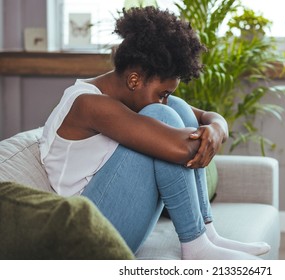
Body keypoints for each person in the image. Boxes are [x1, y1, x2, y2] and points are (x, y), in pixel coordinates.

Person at [39, 6, 270, 260]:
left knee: (177, 108)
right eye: (162, 93)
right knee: (162, 116)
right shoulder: (88, 104)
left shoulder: (128, 95)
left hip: (111, 216)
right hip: (86, 235)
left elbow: (206, 118)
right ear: (134, 80)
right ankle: (195, 246)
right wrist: (210, 136)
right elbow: (182, 148)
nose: (163, 100)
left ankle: (206, 232)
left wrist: (216, 127)